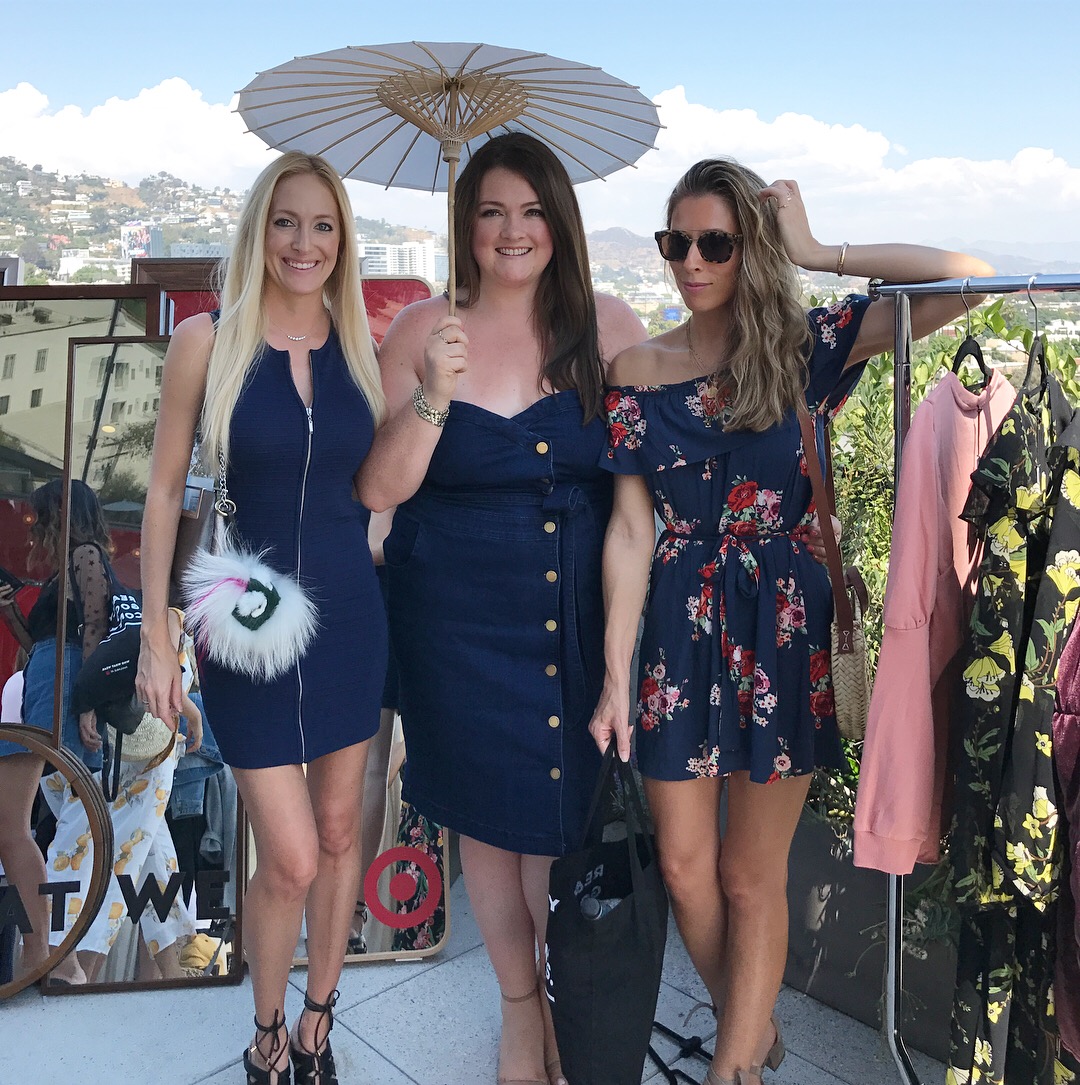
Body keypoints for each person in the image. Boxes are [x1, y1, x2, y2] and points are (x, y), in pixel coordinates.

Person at [588, 158, 994, 1085]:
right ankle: (754, 1021)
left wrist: (820, 249)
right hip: (679, 628)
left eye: (715, 243)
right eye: (676, 242)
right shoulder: (635, 372)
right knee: (685, 866)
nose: (692, 262)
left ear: (752, 249)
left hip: (784, 622)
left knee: (749, 872)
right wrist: (615, 673)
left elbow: (968, 275)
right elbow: (630, 528)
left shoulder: (805, 347)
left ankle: (735, 1065)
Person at [356, 132, 647, 1085]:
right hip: (455, 619)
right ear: (465, 224)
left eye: (530, 211)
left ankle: (562, 1001)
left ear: (559, 222)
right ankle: (522, 1011)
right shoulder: (419, 331)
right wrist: (433, 396)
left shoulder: (610, 328)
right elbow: (379, 490)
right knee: (486, 826)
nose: (511, 231)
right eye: (490, 211)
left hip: (573, 615)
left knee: (560, 830)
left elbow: (647, 488)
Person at [136, 151, 387, 1085]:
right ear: (259, 230)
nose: (303, 242)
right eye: (286, 221)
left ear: (343, 240)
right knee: (290, 852)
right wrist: (157, 633)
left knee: (338, 832)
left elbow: (377, 483)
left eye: (323, 225)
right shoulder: (208, 341)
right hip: (245, 622)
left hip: (350, 616)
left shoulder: (361, 342)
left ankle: (319, 1021)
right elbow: (164, 491)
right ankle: (268, 1030)